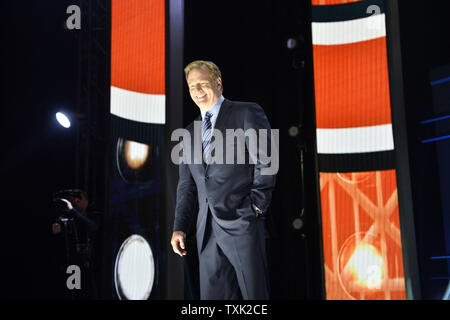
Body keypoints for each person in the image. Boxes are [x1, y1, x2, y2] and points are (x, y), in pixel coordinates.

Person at [171, 60, 277, 300]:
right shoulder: (187, 133)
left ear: (218, 83)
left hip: (243, 223)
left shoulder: (246, 112)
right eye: (191, 86)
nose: (197, 91)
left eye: (202, 83)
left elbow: (267, 161)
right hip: (206, 231)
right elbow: (187, 186)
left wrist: (256, 207)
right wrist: (180, 227)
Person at [52, 189, 99, 299]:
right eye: (74, 200)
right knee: (75, 293)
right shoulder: (68, 217)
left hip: (92, 264)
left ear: (86, 201)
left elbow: (92, 227)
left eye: (78, 199)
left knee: (90, 293)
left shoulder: (93, 215)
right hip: (74, 265)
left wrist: (72, 210)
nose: (75, 201)